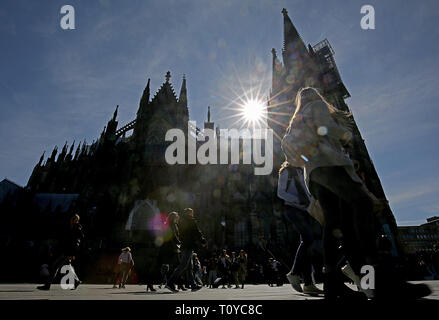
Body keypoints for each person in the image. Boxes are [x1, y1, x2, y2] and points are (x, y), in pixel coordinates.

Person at [283, 87, 431, 300]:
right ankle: (380, 280)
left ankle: (333, 283)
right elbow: (327, 128)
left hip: (314, 175)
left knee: (334, 225)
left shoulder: (295, 121)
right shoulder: (317, 106)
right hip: (332, 167)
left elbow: (294, 153)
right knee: (362, 210)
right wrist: (346, 135)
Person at [277, 161, 323, 295]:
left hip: (305, 210)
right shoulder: (286, 172)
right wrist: (298, 200)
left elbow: (306, 191)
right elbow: (280, 192)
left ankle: (308, 284)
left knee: (308, 244)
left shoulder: (302, 171)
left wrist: (311, 202)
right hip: (292, 208)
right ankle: (294, 272)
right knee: (308, 239)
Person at [165, 208, 207, 293]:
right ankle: (170, 282)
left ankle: (193, 285)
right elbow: (196, 232)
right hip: (189, 245)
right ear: (189, 213)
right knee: (183, 265)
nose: (193, 214)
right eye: (192, 213)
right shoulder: (191, 221)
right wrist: (202, 240)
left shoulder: (181, 222)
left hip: (183, 245)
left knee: (189, 267)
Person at [37, 214, 83, 291]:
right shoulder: (69, 227)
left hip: (68, 252)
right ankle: (76, 281)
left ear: (77, 220)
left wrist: (72, 254)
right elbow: (64, 240)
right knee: (68, 267)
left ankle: (47, 285)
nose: (72, 220)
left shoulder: (77, 228)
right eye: (72, 218)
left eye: (75, 219)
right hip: (65, 251)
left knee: (55, 266)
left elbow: (77, 243)